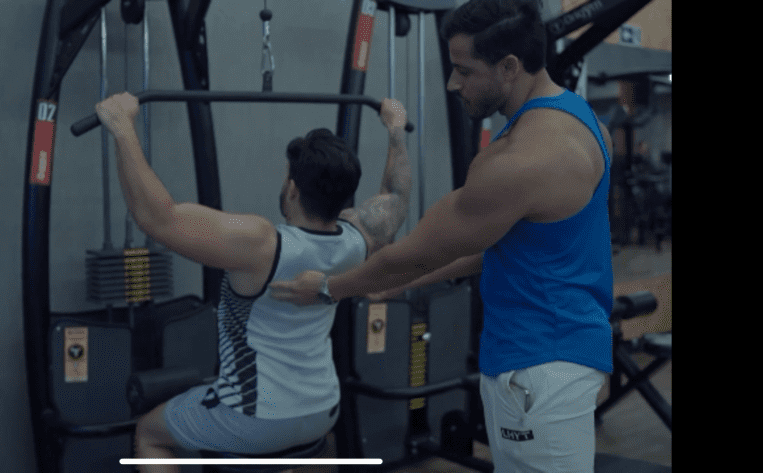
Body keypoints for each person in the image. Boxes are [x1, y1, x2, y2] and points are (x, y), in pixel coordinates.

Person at [268, 0, 615, 471]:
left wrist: (329, 288)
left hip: (535, 369)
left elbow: (412, 254)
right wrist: (396, 286)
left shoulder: (519, 162)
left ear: (509, 67)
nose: (452, 83)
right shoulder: (585, 121)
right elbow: (507, 248)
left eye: (464, 71)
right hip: (563, 355)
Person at [95, 92, 412, 472]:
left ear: (292, 188)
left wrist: (122, 127)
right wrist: (396, 128)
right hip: (323, 410)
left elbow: (155, 217)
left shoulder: (261, 245)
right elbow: (396, 195)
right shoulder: (359, 240)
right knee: (309, 445)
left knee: (149, 433)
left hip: (254, 418)